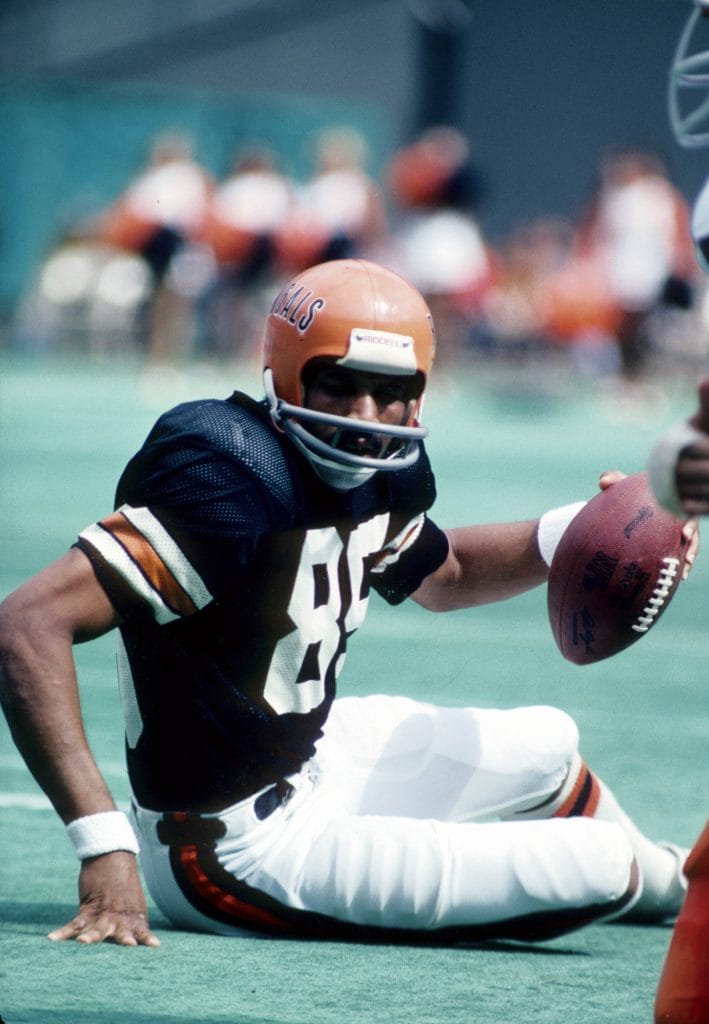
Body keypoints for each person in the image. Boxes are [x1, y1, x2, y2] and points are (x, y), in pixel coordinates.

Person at [0, 258, 696, 948]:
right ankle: (682, 892)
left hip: (311, 762)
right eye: (338, 385)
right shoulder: (226, 473)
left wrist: (595, 528)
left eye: (389, 391)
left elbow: (444, 573)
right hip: (227, 848)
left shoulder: (377, 473)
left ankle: (681, 888)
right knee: (600, 866)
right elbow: (28, 624)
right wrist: (102, 843)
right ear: (284, 374)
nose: (366, 416)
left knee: (548, 743)